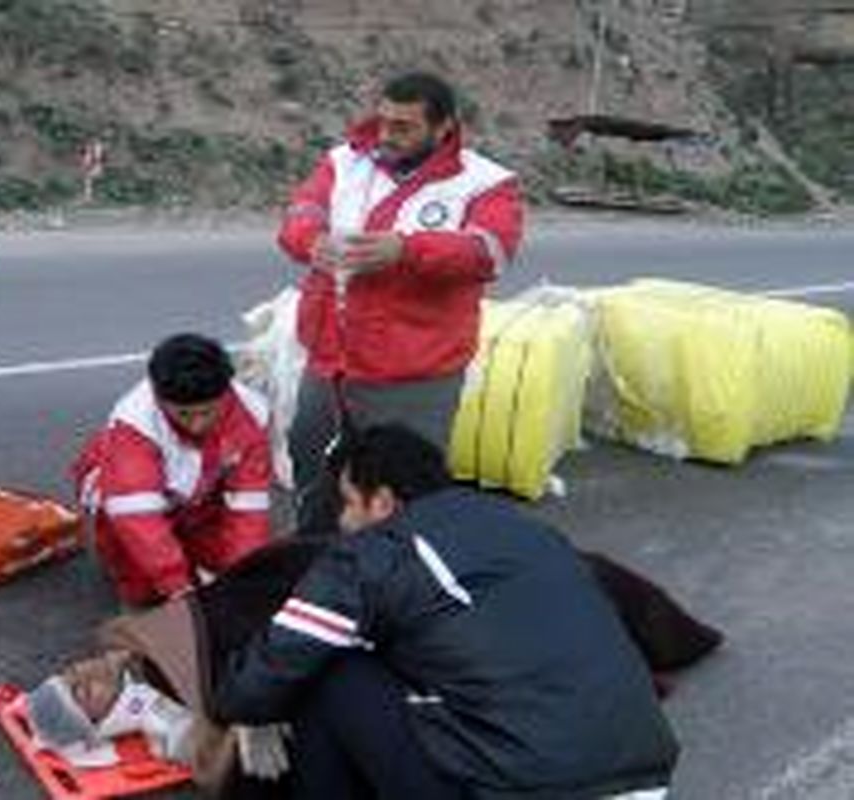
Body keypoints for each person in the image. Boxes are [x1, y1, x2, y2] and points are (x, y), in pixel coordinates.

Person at [212, 425, 678, 799]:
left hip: (519, 784)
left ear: (384, 502)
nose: (342, 522)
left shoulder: (379, 549)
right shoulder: (528, 532)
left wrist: (243, 706)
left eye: (348, 504)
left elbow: (270, 670)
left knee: (333, 674)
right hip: (646, 775)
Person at [279, 71, 524, 534]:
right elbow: (300, 214)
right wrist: (311, 242)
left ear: (443, 126)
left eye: (403, 127)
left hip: (415, 372)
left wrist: (407, 250)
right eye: (383, 120)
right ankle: (314, 550)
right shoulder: (344, 162)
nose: (386, 135)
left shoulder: (486, 182)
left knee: (404, 489)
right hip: (331, 359)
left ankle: (397, 574)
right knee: (307, 453)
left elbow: (490, 251)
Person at [72, 334, 273, 607]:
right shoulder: (133, 425)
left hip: (194, 493)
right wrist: (178, 587)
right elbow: (139, 519)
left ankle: (186, 545)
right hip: (120, 499)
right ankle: (117, 554)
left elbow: (249, 506)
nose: (198, 425)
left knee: (235, 571)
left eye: (208, 412)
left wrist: (242, 575)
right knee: (146, 591)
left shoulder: (252, 413)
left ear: (227, 392)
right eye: (184, 414)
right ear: (158, 396)